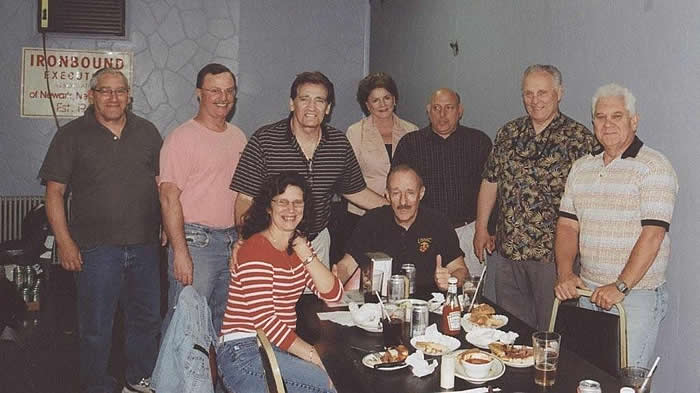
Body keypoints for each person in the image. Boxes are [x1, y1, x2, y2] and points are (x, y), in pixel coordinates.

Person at [39, 68, 162, 393]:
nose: (113, 97)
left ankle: (139, 380)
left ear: (129, 96)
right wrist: (65, 243)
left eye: (120, 91)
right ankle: (97, 386)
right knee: (95, 327)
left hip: (145, 248)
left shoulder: (148, 132)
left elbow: (163, 185)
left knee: (147, 321)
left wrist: (167, 227)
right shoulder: (71, 135)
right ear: (90, 95)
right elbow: (54, 193)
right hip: (95, 251)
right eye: (105, 91)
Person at [554, 83, 678, 367]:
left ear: (634, 120)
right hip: (587, 293)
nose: (607, 124)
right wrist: (564, 273)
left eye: (617, 116)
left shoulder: (654, 167)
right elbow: (567, 226)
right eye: (600, 117)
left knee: (623, 381)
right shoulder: (582, 167)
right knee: (585, 377)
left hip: (634, 297)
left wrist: (621, 286)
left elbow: (653, 235)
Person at [474, 64, 599, 330]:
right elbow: (490, 180)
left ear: (559, 93)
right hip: (509, 255)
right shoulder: (508, 133)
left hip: (552, 261)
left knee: (549, 334)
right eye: (529, 93)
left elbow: (595, 196)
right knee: (508, 333)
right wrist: (481, 228)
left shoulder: (579, 139)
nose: (535, 100)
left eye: (543, 93)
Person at [230, 71, 387, 268]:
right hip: (271, 242)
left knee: (317, 299)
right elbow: (244, 199)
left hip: (317, 243)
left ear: (328, 108)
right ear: (292, 103)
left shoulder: (338, 144)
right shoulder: (264, 140)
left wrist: (396, 209)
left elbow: (355, 191)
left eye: (319, 101)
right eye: (304, 99)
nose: (311, 107)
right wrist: (246, 240)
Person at [217, 172, 341, 393]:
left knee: (338, 374)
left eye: (297, 202)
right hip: (244, 353)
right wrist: (313, 356)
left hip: (274, 349)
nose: (290, 210)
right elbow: (266, 322)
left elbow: (333, 296)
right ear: (268, 207)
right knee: (331, 382)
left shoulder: (298, 247)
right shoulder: (256, 248)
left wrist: (304, 251)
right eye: (282, 202)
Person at [159, 63, 247, 334]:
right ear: (199, 93)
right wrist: (181, 253)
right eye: (215, 91)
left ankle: (214, 379)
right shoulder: (182, 138)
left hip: (231, 242)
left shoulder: (238, 136)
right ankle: (171, 379)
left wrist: (243, 239)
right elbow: (168, 198)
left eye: (229, 91)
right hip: (196, 243)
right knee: (185, 326)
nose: (223, 98)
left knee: (223, 325)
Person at [392, 88, 491, 278]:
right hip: (423, 232)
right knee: (423, 287)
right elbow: (397, 188)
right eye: (436, 108)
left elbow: (492, 188)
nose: (442, 114)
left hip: (468, 231)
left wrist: (487, 229)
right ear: (428, 111)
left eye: (449, 108)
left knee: (469, 293)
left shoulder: (479, 142)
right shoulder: (410, 144)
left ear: (459, 110)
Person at [334, 165, 469, 291]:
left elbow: (460, 269)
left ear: (421, 193)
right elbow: (346, 266)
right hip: (380, 308)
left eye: (410, 193)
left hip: (428, 306)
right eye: (396, 193)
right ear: (387, 194)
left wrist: (452, 280)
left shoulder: (439, 222)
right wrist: (335, 278)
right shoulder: (371, 221)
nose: (403, 202)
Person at [344, 72, 418, 233]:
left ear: (395, 99)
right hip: (363, 213)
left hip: (404, 212)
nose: (382, 104)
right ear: (367, 105)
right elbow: (348, 177)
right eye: (375, 100)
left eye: (386, 98)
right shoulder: (355, 132)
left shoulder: (411, 130)